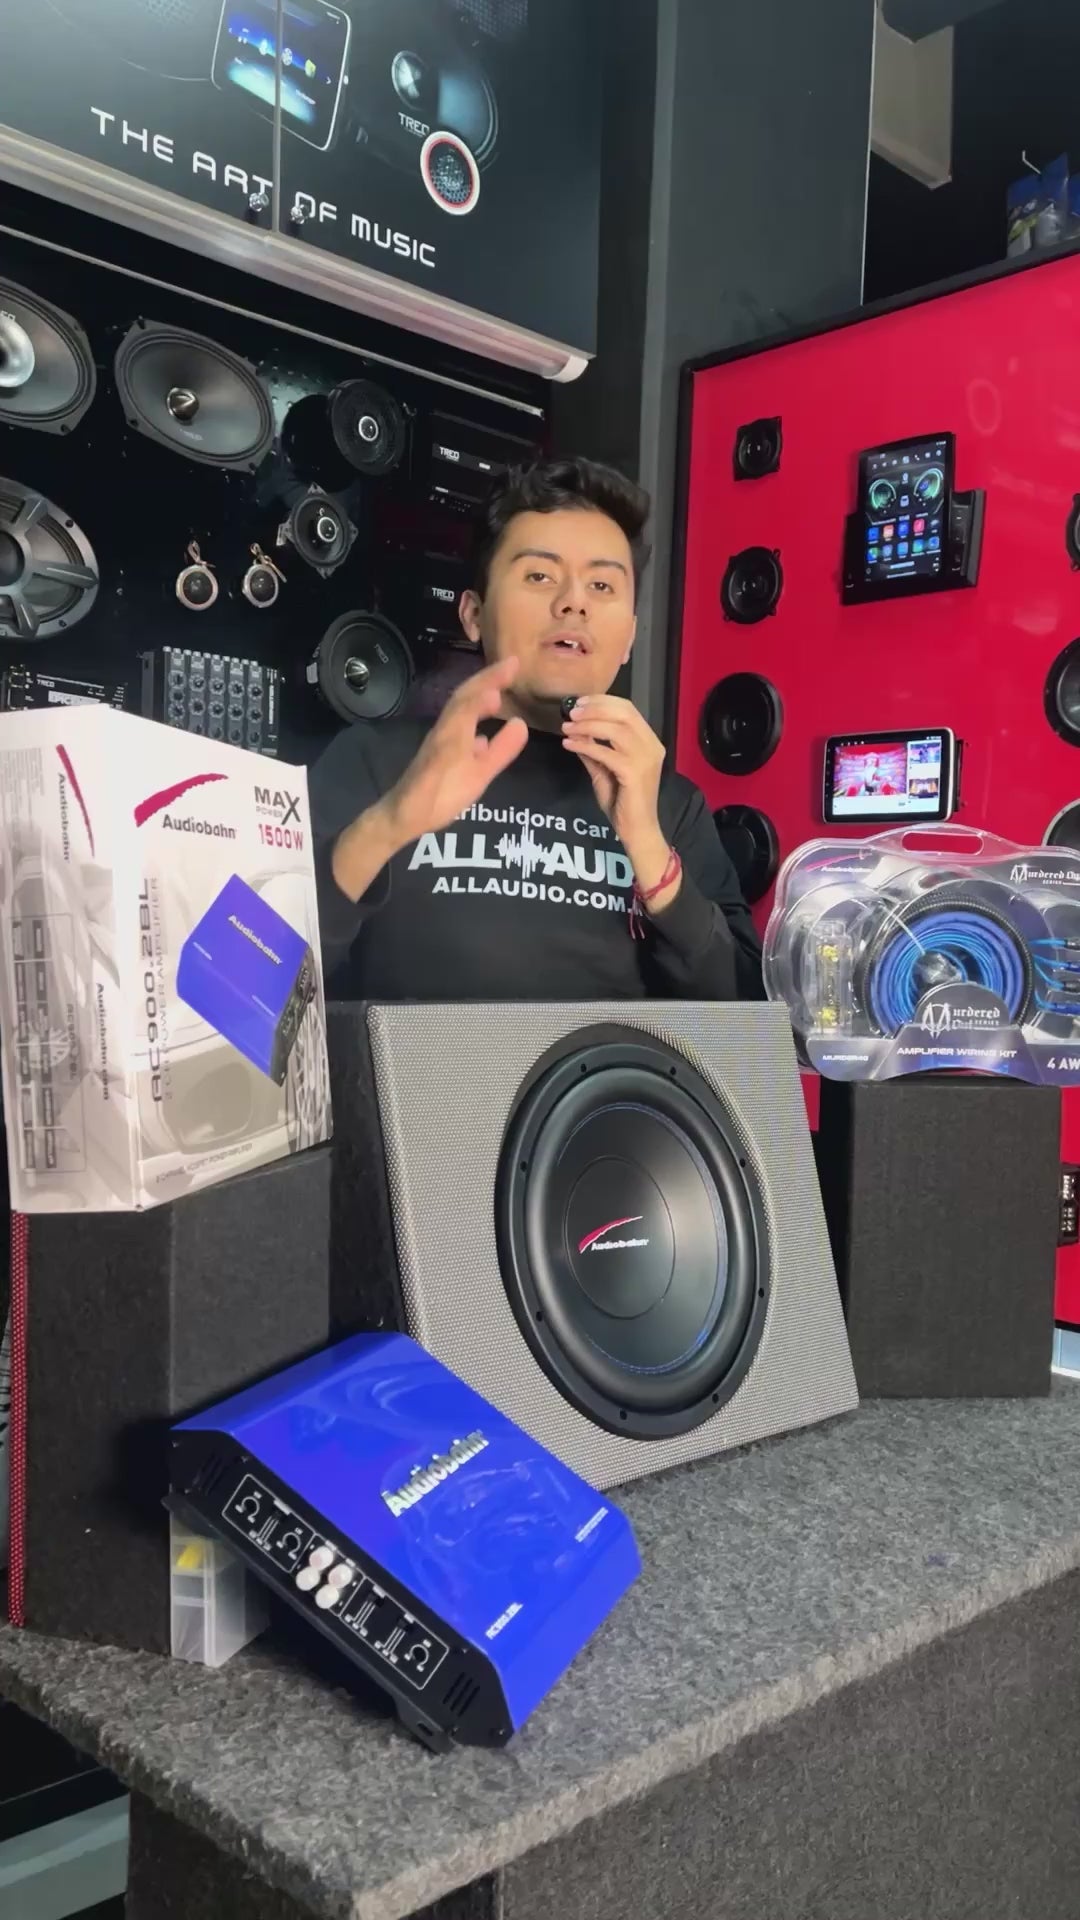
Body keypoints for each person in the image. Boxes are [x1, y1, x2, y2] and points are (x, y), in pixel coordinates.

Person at [309, 456, 763, 1001]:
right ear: (473, 615)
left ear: (628, 639)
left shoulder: (670, 805)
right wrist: (387, 825)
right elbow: (247, 977)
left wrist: (648, 846)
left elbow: (748, 1022)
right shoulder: (374, 761)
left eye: (602, 584)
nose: (573, 602)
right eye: (539, 576)